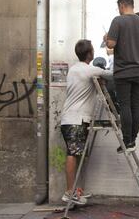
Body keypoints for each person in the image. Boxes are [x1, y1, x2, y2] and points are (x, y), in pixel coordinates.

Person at [60, 39, 112, 205]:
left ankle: (76, 190)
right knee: (72, 154)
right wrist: (114, 54)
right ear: (90, 53)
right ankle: (69, 192)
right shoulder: (88, 70)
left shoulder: (74, 69)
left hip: (71, 119)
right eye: (93, 50)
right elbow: (111, 75)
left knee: (76, 154)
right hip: (75, 119)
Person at [104, 0, 139, 152]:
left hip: (123, 73)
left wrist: (107, 38)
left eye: (118, 7)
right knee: (135, 105)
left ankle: (128, 141)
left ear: (121, 5)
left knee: (125, 105)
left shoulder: (117, 21)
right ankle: (132, 139)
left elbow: (111, 45)